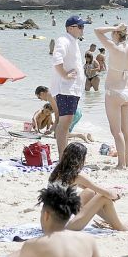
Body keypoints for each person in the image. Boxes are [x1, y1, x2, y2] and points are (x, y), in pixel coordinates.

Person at [47, 143, 127, 231]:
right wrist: (116, 195)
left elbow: (90, 188)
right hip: (65, 226)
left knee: (90, 192)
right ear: (80, 159)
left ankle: (113, 222)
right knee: (103, 198)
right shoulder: (77, 175)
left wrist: (104, 193)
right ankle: (119, 226)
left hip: (50, 222)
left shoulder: (58, 171)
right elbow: (105, 193)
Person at [94, 25, 128, 169]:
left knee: (116, 131)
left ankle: (121, 164)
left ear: (117, 34)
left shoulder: (113, 47)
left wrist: (114, 26)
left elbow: (97, 30)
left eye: (113, 33)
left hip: (114, 91)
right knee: (127, 129)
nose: (111, 35)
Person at [51, 16, 86, 158]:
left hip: (72, 89)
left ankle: (63, 155)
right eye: (80, 26)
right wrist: (64, 75)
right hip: (66, 88)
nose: (83, 29)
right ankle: (61, 156)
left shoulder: (73, 41)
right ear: (70, 28)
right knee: (64, 122)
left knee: (67, 121)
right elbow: (56, 59)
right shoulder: (63, 40)